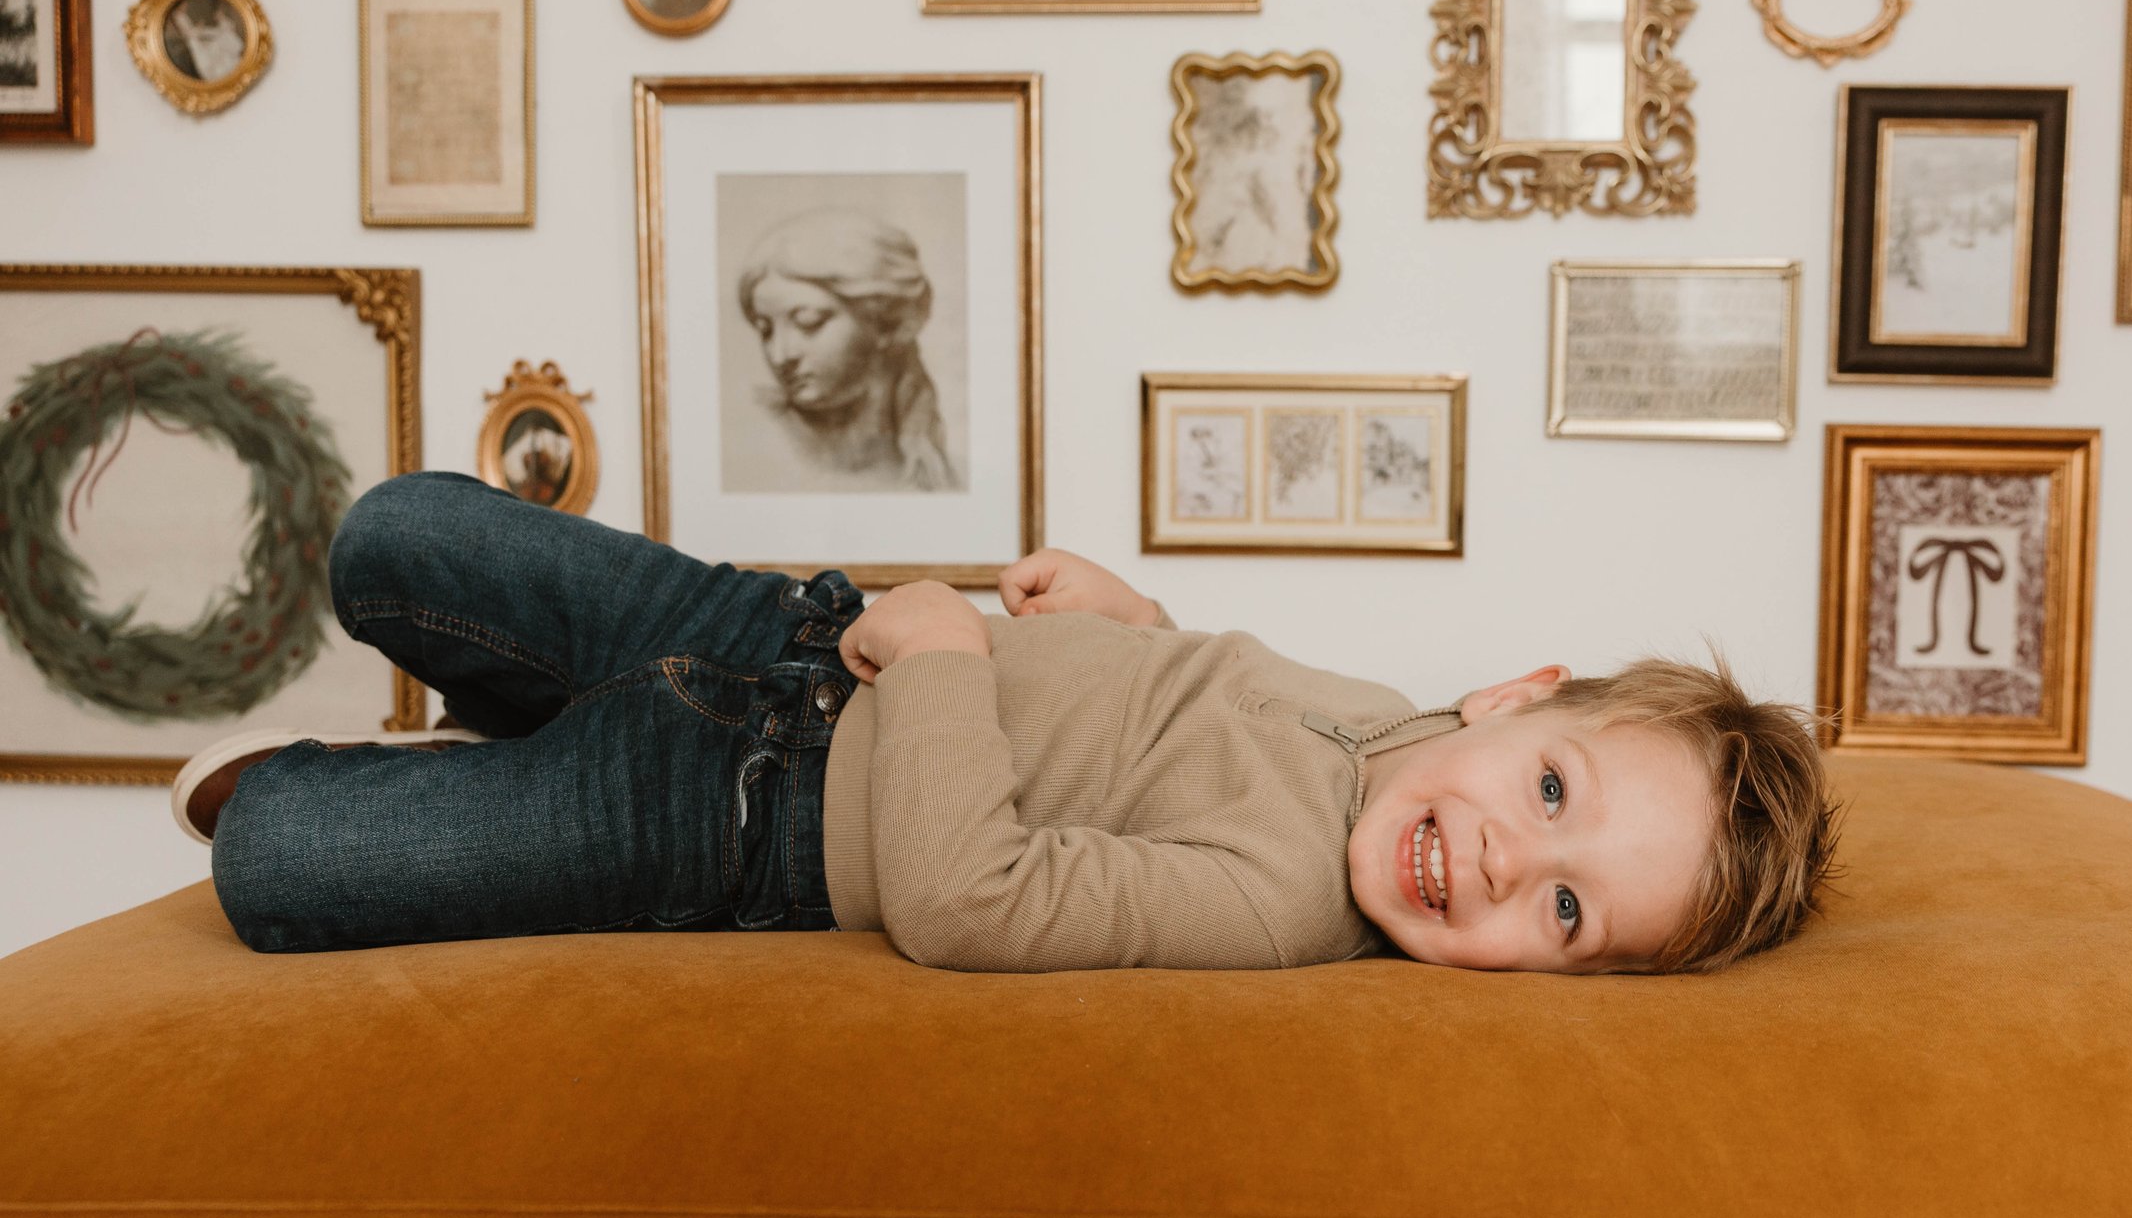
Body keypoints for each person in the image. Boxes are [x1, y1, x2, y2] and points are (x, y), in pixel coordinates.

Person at [183, 472, 1837, 974]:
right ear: (1518, 694)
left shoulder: (1281, 905)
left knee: (276, 862)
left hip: (737, 817)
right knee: (394, 537)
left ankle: (455, 784)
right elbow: (1203, 702)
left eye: (1565, 906)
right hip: (767, 629)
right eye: (1550, 787)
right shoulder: (1395, 730)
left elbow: (982, 898)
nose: (1494, 855)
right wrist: (1131, 617)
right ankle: (502, 725)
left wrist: (955, 656)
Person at [735, 206, 959, 493]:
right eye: (765, 330)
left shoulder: (946, 475)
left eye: (809, 322)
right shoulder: (750, 448)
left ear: (888, 323)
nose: (780, 356)